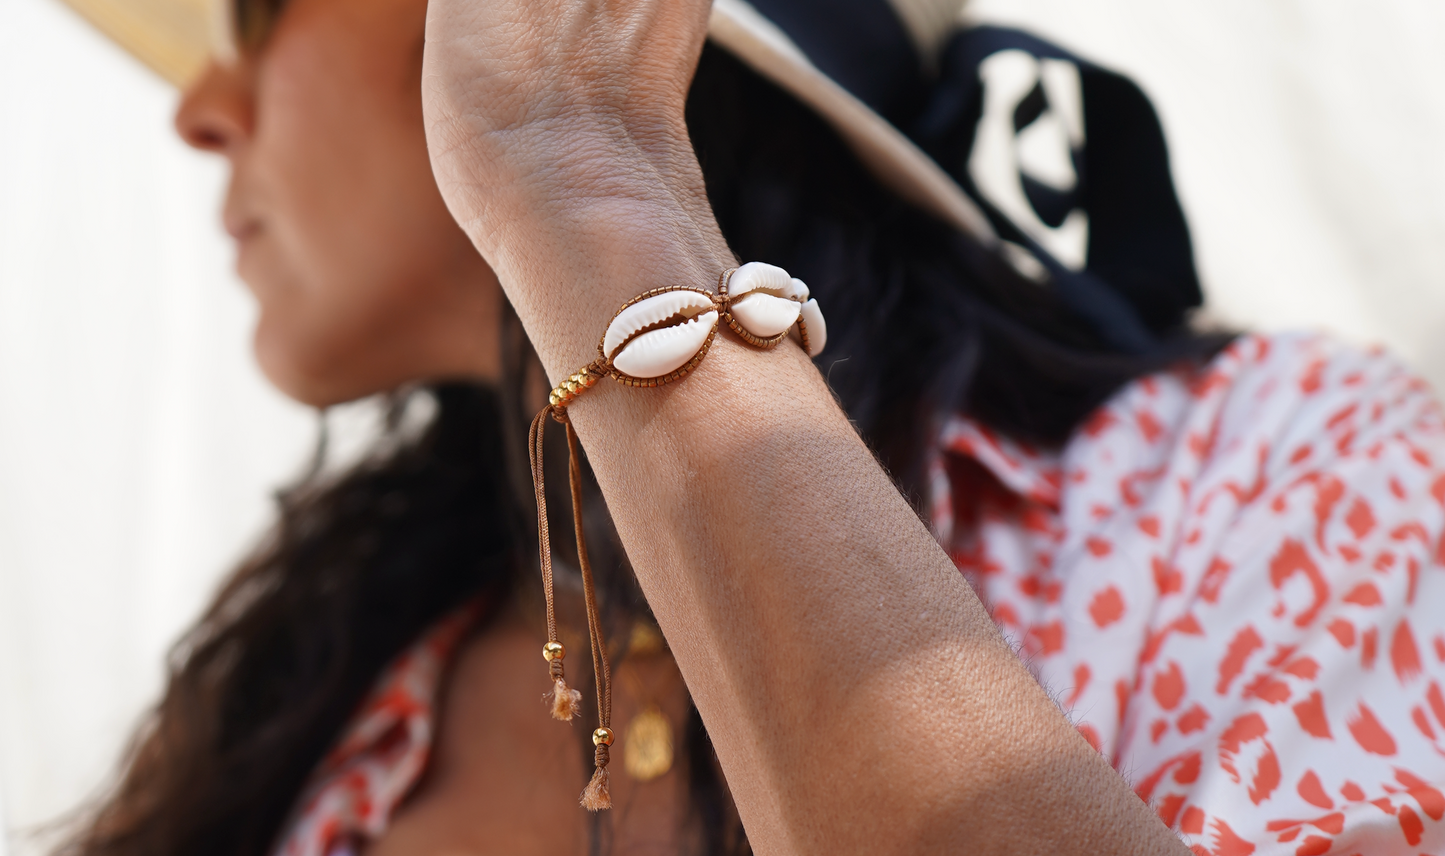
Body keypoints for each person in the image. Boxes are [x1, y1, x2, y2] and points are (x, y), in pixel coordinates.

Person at [56, 0, 1445, 853]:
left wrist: (585, 171)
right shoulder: (338, 686)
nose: (198, 109)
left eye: (259, 4)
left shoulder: (1289, 470)